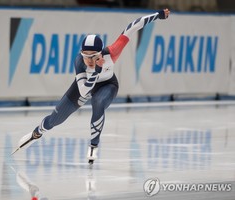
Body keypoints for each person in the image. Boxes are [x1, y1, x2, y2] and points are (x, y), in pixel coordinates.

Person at [13, 9, 170, 163]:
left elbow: (132, 27)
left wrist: (158, 15)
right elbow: (83, 91)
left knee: (98, 102)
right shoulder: (79, 62)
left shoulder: (112, 52)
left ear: (101, 53)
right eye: (85, 55)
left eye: (93, 56)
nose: (88, 60)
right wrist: (96, 70)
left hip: (108, 84)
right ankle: (36, 133)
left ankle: (93, 145)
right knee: (55, 119)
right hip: (85, 85)